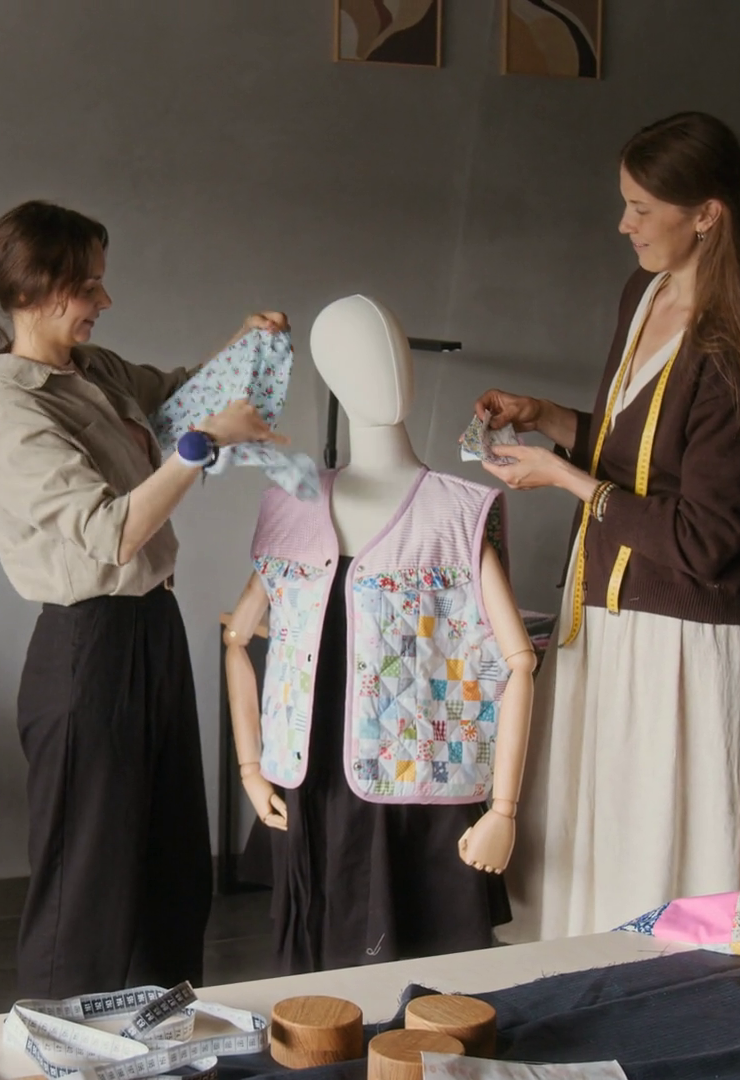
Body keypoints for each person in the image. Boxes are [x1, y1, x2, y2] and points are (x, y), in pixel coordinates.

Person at [473, 112, 740, 939]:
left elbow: (703, 541)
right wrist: (546, 417)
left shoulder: (739, 352)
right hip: (609, 619)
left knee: (661, 861)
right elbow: (644, 455)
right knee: (595, 850)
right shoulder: (646, 293)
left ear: (708, 214)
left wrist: (564, 480)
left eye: (642, 207)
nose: (624, 224)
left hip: (682, 643)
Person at [0, 200, 286, 997]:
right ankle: (62, 1042)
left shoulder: (95, 371)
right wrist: (202, 448)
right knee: (87, 885)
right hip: (87, 650)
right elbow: (112, 533)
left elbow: (178, 399)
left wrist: (243, 344)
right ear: (34, 292)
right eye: (89, 287)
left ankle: (165, 1031)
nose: (105, 301)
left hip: (151, 629)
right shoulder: (18, 410)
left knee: (172, 866)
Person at [223, 295, 535, 974]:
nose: (390, 371)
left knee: (430, 984)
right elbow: (238, 638)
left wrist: (504, 809)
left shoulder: (455, 512)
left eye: (396, 351)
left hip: (425, 794)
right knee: (318, 988)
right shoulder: (293, 505)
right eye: (366, 357)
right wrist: (251, 769)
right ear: (333, 374)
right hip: (312, 787)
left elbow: (519, 663)